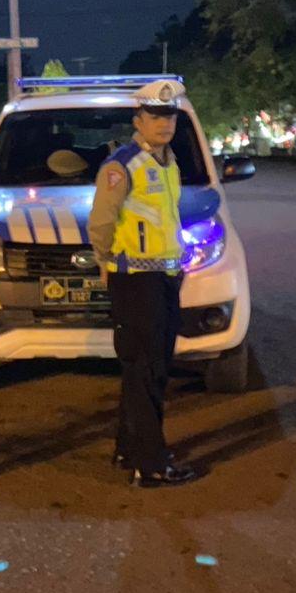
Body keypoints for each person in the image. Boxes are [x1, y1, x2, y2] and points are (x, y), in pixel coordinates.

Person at [88, 79, 199, 487]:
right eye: (155, 116)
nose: (165, 124)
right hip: (135, 280)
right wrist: (105, 260)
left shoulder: (168, 162)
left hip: (164, 277)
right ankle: (150, 464)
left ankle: (128, 447)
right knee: (146, 370)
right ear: (138, 120)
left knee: (149, 369)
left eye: (170, 117)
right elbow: (100, 222)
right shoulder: (123, 165)